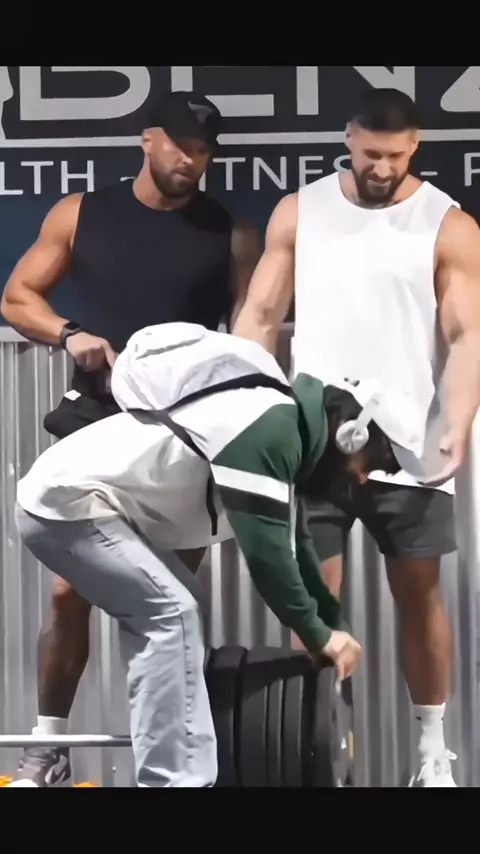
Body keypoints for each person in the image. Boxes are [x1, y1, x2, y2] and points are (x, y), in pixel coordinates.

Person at [11, 319, 426, 787]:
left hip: (93, 507)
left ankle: (180, 772)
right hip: (68, 505)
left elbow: (296, 551)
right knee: (170, 614)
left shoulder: (286, 437)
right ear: (352, 436)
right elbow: (268, 560)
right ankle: (173, 784)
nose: (364, 478)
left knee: (176, 612)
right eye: (376, 463)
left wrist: (330, 624)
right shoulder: (270, 430)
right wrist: (318, 634)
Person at [1, 89, 262, 787]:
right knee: (69, 593)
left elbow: (248, 335)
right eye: (180, 146)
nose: (191, 161)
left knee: (168, 600)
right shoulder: (81, 213)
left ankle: (169, 766)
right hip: (96, 421)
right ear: (148, 139)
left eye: (203, 151)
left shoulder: (232, 235)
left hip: (181, 435)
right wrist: (70, 334)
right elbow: (17, 298)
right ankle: (49, 746)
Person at [233, 87, 480, 787]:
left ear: (416, 146)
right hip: (314, 438)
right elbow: (259, 317)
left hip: (409, 440)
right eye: (371, 154)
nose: (383, 167)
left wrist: (458, 422)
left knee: (419, 593)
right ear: (348, 139)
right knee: (316, 601)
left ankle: (432, 754)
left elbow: (467, 336)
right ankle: (321, 752)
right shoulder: (300, 211)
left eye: (396, 155)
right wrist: (247, 412)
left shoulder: (449, 224)